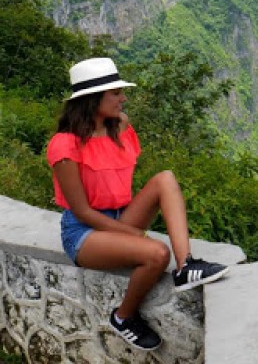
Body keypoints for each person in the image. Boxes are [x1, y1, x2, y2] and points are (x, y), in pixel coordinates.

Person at [47, 57, 229, 351]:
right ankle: (123, 317)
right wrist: (129, 233)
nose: (123, 98)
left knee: (165, 178)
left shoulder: (119, 128)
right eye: (115, 93)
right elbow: (81, 211)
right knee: (157, 254)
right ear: (94, 99)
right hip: (85, 232)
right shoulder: (65, 145)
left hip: (120, 218)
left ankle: (186, 266)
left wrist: (125, 228)